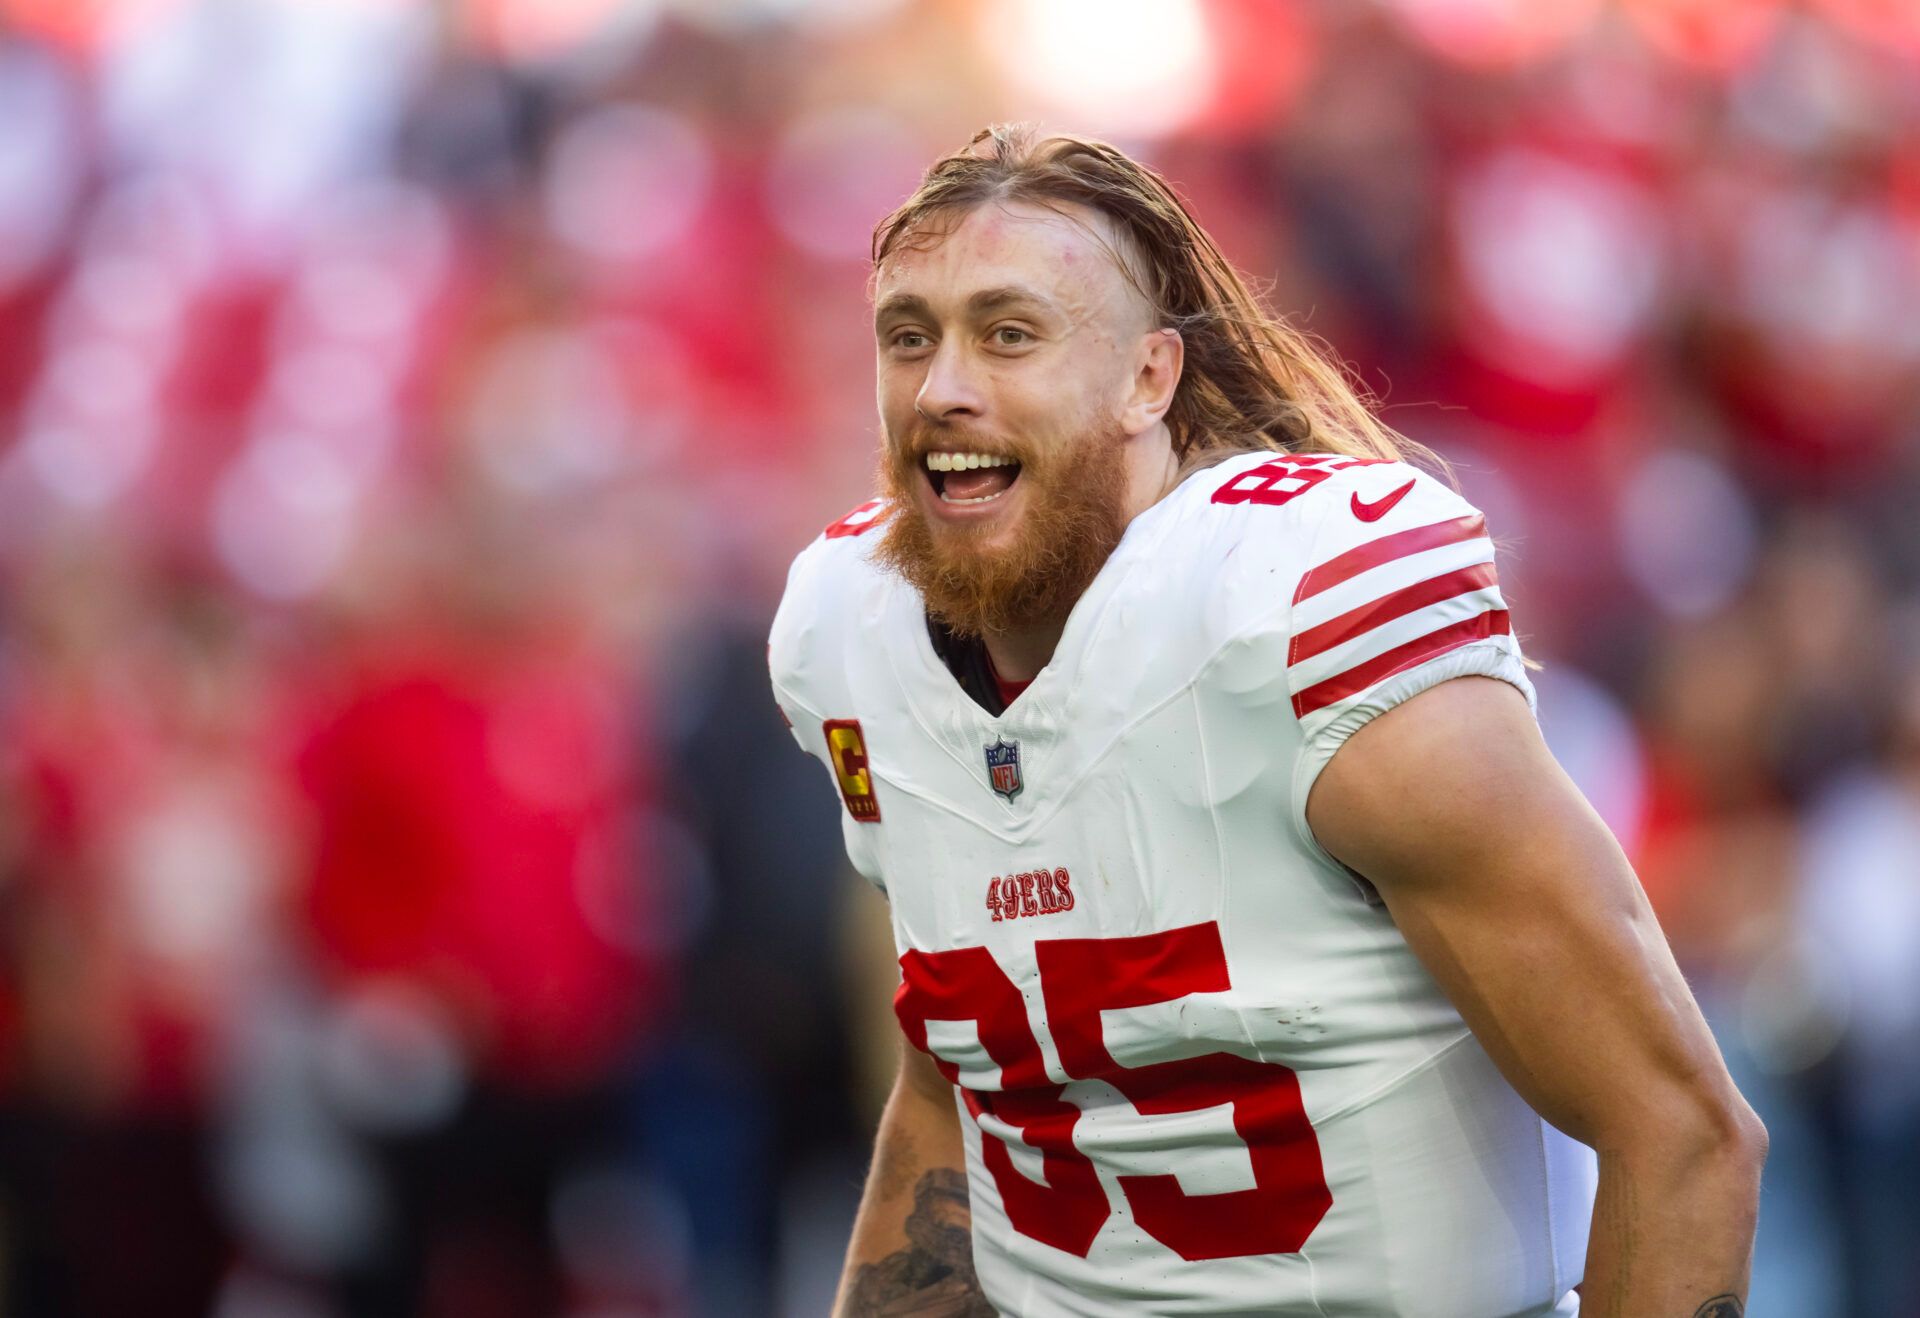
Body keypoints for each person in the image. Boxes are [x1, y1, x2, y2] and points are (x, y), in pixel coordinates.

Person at [768, 125, 1764, 1318]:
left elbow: (1681, 1132)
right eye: (909, 338)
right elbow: (958, 1087)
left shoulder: (1297, 613)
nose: (943, 388)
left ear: (1150, 379)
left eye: (1009, 332)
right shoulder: (851, 630)